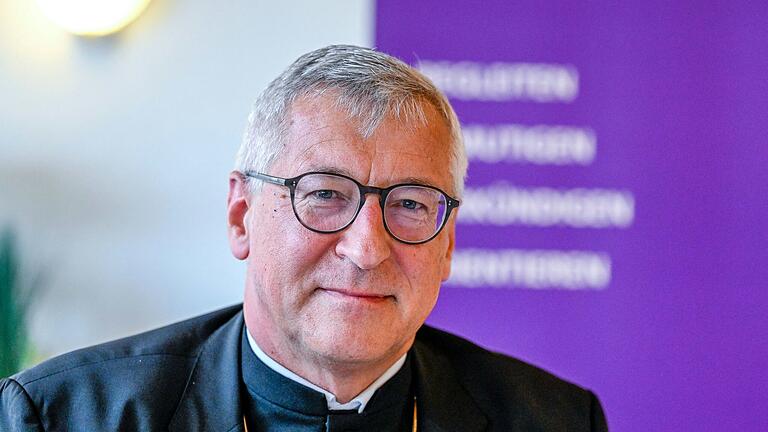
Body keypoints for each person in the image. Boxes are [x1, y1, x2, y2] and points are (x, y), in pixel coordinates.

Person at [0, 45, 608, 431]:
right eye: (324, 195)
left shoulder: (551, 421)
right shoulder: (66, 416)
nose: (366, 249)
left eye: (412, 204)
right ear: (242, 215)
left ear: (447, 245)